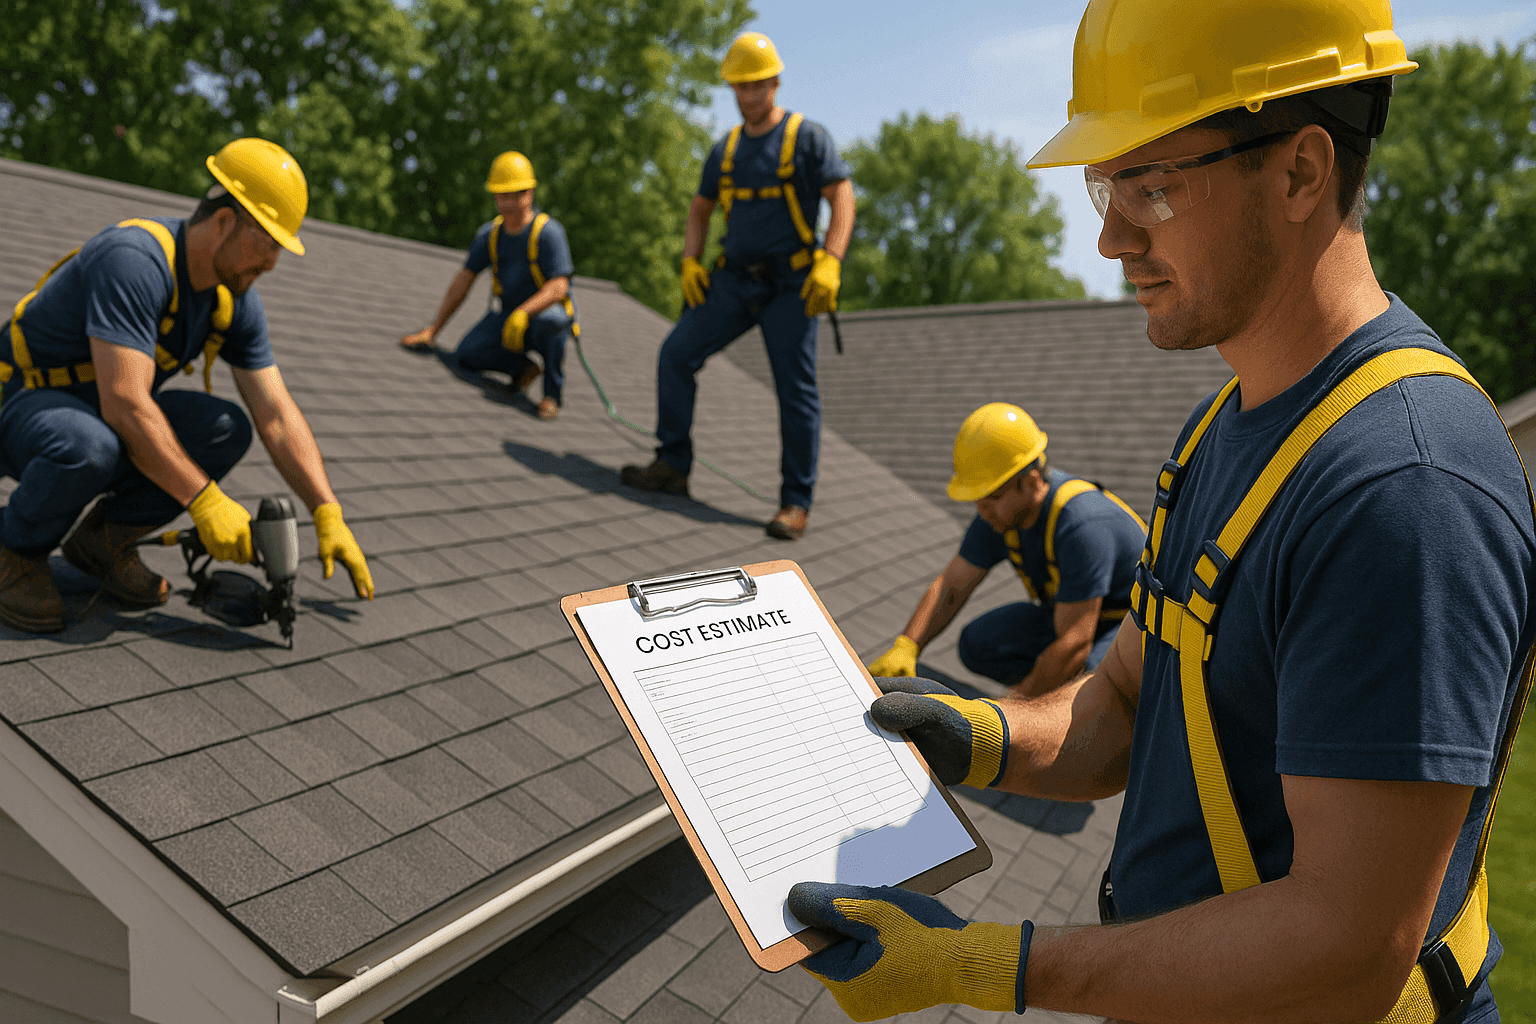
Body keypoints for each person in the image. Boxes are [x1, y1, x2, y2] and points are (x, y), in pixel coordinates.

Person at [788, 1, 1535, 1021]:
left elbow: (1349, 945)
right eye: (1108, 183)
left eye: (1150, 184)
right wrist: (970, 738)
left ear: (1301, 172)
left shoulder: (1405, 485)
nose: (1109, 235)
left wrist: (991, 967)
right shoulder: (1219, 429)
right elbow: (1132, 702)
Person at [0, 138, 375, 634]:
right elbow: (126, 403)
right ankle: (14, 552)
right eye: (267, 243)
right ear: (225, 220)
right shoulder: (134, 260)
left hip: (99, 414)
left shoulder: (231, 300)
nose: (272, 264)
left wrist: (327, 511)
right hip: (24, 404)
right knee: (91, 446)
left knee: (224, 428)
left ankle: (102, 543)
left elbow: (277, 416)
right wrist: (205, 501)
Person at [619, 32, 855, 541]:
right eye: (739, 87)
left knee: (796, 393)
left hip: (793, 285)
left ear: (774, 82)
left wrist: (831, 262)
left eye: (756, 85)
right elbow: (701, 208)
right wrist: (689, 261)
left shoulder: (806, 137)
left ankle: (795, 503)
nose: (748, 95)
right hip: (733, 281)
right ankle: (672, 464)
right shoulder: (725, 149)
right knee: (675, 354)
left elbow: (842, 198)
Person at [866, 403, 1144, 696]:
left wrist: (1011, 714)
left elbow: (1074, 642)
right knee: (979, 644)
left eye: (991, 498)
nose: (982, 511)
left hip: (1137, 628)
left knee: (1094, 686)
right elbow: (952, 586)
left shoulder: (1082, 526)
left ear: (1030, 482)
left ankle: (1091, 714)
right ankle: (1049, 694)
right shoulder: (1002, 514)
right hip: (1076, 616)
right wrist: (907, 645)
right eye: (977, 500)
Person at [400, 151, 576, 421]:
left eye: (513, 195)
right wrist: (434, 330)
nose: (506, 202)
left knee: (555, 323)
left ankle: (552, 395)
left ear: (528, 194)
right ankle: (523, 369)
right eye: (501, 195)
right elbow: (464, 280)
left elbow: (558, 287)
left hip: (541, 317)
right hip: (506, 316)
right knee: (467, 354)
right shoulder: (490, 235)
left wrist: (523, 314)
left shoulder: (548, 233)